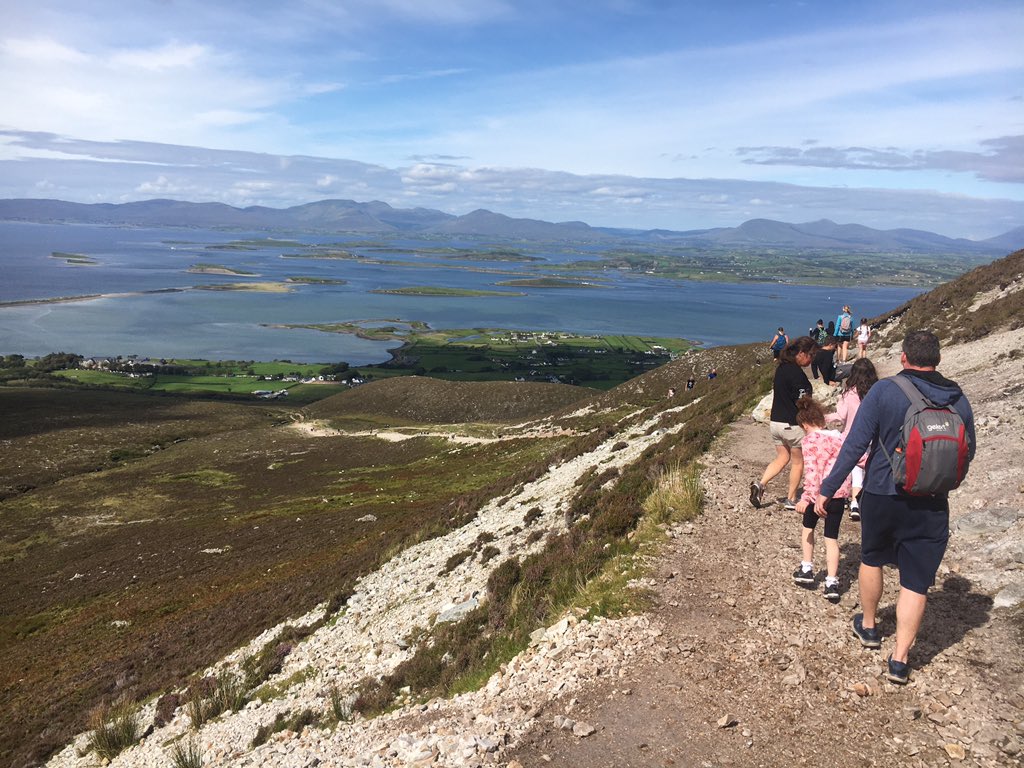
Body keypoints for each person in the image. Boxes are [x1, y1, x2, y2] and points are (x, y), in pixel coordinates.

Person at [815, 331, 975, 685]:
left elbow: (855, 444)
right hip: (932, 502)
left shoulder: (886, 391)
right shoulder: (957, 399)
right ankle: (900, 660)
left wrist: (828, 489)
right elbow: (968, 452)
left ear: (904, 358)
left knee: (872, 558)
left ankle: (869, 626)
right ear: (937, 359)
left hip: (883, 493)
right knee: (916, 581)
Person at [792, 395, 850, 601]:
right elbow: (857, 460)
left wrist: (806, 498)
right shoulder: (841, 438)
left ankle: (807, 568)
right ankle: (832, 582)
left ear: (805, 425)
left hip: (818, 494)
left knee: (808, 527)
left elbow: (813, 473)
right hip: (839, 495)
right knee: (831, 538)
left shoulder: (810, 441)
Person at [750, 336, 815, 510]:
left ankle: (761, 484)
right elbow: (803, 402)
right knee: (797, 462)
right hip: (792, 424)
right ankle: (791, 498)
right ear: (801, 354)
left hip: (775, 422)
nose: (811, 359)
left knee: (782, 457)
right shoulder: (798, 375)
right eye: (810, 355)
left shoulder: (781, 368)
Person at [825, 358, 878, 521]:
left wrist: (824, 417)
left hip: (852, 437)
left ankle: (854, 502)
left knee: (854, 469)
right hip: (873, 438)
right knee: (868, 469)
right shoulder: (877, 392)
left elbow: (841, 416)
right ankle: (865, 500)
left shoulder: (849, 394)